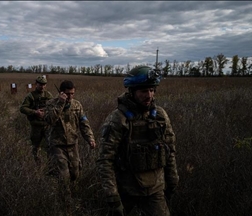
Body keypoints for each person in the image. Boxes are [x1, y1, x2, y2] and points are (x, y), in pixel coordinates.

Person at [96, 66, 179, 216]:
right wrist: (112, 196)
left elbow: (169, 150)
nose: (149, 95)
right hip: (126, 190)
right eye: (144, 91)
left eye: (152, 90)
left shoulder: (160, 116)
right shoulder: (118, 119)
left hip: (154, 189)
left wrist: (172, 178)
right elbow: (105, 159)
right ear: (132, 92)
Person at [44, 80, 96, 215]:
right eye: (68, 94)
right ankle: (66, 202)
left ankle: (69, 192)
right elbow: (49, 120)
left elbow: (84, 123)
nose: (70, 96)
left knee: (75, 173)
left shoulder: (77, 105)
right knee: (63, 174)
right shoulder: (51, 103)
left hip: (73, 144)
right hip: (57, 145)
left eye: (72, 93)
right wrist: (61, 103)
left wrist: (90, 138)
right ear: (61, 93)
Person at [19, 75, 53, 165]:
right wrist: (35, 112)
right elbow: (22, 108)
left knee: (51, 146)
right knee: (35, 147)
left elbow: (53, 108)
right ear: (36, 84)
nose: (42, 86)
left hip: (47, 125)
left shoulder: (48, 95)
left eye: (44, 84)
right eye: (40, 84)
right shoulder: (31, 96)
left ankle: (50, 165)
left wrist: (46, 112)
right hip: (36, 126)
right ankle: (37, 165)